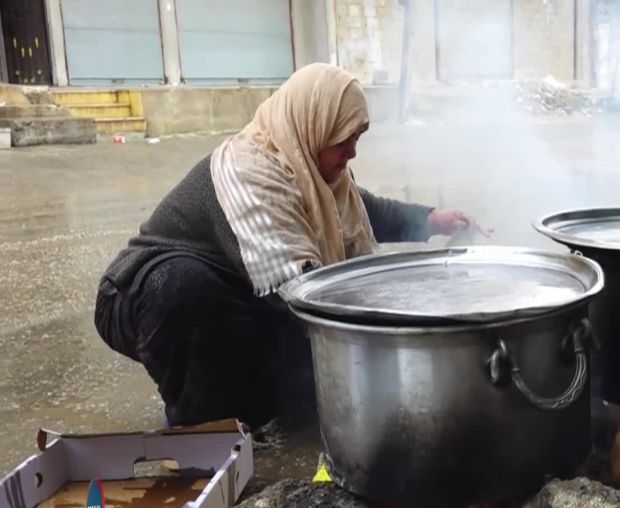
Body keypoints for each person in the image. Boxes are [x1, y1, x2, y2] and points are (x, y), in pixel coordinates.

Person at [94, 64, 480, 429]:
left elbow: (361, 209)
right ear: (315, 123)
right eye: (345, 139)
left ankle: (251, 407)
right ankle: (195, 427)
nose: (352, 152)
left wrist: (431, 220)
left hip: (228, 288)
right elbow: (301, 289)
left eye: (357, 138)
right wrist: (405, 323)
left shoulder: (308, 163)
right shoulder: (248, 174)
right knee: (190, 290)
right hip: (137, 296)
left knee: (292, 373)